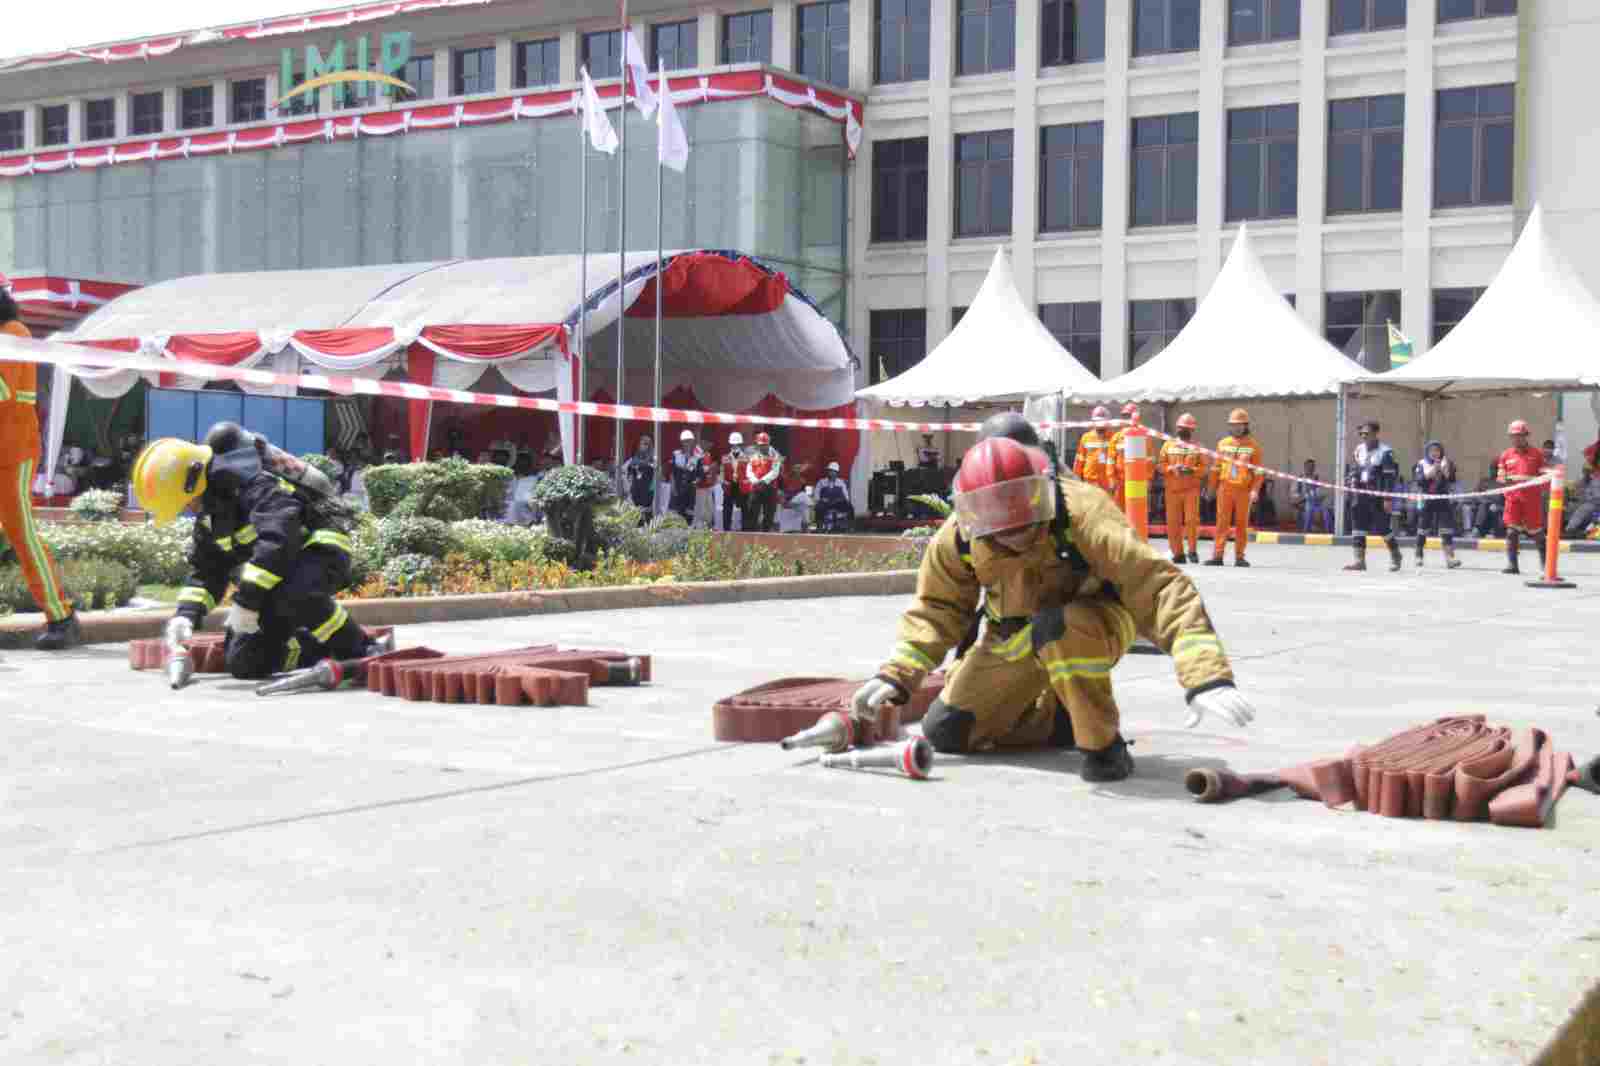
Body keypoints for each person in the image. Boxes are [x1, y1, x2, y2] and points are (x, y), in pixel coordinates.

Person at [849, 437, 1256, 783]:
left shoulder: (1082, 511)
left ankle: (1102, 746)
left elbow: (1156, 584)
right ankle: (1061, 717)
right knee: (948, 732)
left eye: (1017, 506)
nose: (1010, 525)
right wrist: (896, 675)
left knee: (1057, 626)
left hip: (1092, 623)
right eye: (994, 511)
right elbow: (937, 608)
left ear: (1038, 487)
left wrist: (1205, 676)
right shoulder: (960, 536)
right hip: (1011, 636)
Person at [133, 426, 388, 682]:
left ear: (194, 484)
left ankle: (361, 647)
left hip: (320, 548)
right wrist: (185, 616)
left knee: (296, 594)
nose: (187, 510)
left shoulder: (255, 485)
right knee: (244, 662)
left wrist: (247, 601)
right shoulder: (210, 517)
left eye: (184, 503)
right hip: (279, 572)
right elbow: (207, 572)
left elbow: (278, 541)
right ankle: (320, 649)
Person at [0, 278, 80, 649]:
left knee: (23, 535)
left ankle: (60, 615)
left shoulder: (14, 333)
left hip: (12, 455)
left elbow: (5, 390)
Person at [1205, 408, 1263, 568]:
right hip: (1225, 488)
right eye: (1233, 425)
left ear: (1246, 425)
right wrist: (1211, 488)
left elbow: (1258, 472)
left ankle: (1240, 557)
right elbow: (1216, 468)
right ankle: (1217, 556)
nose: (1236, 428)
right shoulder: (1222, 444)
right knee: (1221, 523)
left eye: (1239, 425)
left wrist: (1255, 490)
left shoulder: (1253, 446)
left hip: (1243, 490)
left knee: (1241, 525)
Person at [1344, 420, 1403, 572]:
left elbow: (1390, 478)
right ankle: (1359, 561)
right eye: (1361, 434)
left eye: (1366, 433)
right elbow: (1354, 469)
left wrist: (1387, 498)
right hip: (1360, 493)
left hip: (1378, 494)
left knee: (1382, 527)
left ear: (1376, 434)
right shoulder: (1358, 449)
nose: (1363, 436)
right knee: (1358, 527)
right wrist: (1351, 481)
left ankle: (1396, 555)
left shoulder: (1386, 452)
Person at [1497, 419, 1549, 575]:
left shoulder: (1537, 454)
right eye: (1513, 436)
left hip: (1532, 501)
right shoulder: (1505, 455)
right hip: (1513, 500)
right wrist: (1503, 478)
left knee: (1538, 535)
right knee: (1511, 533)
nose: (1516, 439)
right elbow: (1500, 477)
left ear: (1526, 436)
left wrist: (1542, 486)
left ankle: (1545, 566)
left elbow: (1545, 476)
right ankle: (1513, 565)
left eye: (1520, 435)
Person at [1158, 413, 1207, 564]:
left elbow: (1204, 468)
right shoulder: (1168, 445)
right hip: (1172, 489)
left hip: (1191, 489)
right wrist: (1172, 468)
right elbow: (1160, 465)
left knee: (1191, 520)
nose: (1183, 430)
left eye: (1186, 428)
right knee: (1173, 522)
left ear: (1192, 430)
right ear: (1177, 428)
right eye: (1181, 428)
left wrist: (1192, 470)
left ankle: (1192, 551)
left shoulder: (1198, 447)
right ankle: (1178, 553)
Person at [1412, 440, 1462, 569]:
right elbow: (1420, 481)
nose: (1435, 453)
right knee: (1423, 528)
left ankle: (1450, 558)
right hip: (1426, 499)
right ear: (1427, 452)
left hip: (1443, 499)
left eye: (1437, 450)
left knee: (1446, 530)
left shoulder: (1447, 462)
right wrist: (1433, 469)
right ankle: (1419, 556)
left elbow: (1451, 479)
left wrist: (1444, 468)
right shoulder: (1421, 463)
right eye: (1432, 450)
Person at [742, 431, 783, 532]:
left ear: (768, 444)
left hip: (769, 487)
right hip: (755, 487)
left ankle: (766, 534)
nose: (762, 447)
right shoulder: (753, 456)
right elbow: (749, 470)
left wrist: (763, 481)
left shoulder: (775, 455)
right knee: (752, 512)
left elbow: (775, 471)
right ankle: (751, 535)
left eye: (764, 445)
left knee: (769, 513)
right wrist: (755, 481)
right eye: (760, 445)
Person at [1073, 406, 1115, 497]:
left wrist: (1114, 482)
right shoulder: (1086, 437)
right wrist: (1075, 480)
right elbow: (1079, 460)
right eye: (1097, 421)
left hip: (1107, 484)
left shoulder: (1114, 437)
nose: (1099, 424)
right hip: (1090, 482)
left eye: (1102, 421)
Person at [668, 430, 705, 524]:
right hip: (677, 488)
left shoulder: (697, 457)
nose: (687, 443)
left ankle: (688, 533)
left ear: (692, 442)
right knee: (676, 514)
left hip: (690, 490)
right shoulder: (676, 454)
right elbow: (671, 471)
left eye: (689, 441)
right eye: (685, 441)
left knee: (689, 513)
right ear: (681, 442)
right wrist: (673, 486)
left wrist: (696, 481)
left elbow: (700, 474)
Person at [1108, 402, 1139, 510]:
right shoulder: (1116, 437)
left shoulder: (1143, 437)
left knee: (1136, 510)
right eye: (1125, 416)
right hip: (1120, 480)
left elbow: (1149, 460)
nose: (1127, 419)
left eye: (1129, 416)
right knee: (1120, 510)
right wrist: (1111, 479)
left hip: (1137, 481)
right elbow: (1111, 461)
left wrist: (1148, 479)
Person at [1292, 460, 1332, 533]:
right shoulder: (1299, 479)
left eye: (1312, 467)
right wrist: (1302, 498)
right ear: (1305, 467)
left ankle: (1329, 532)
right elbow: (1294, 495)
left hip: (1318, 502)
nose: (1310, 468)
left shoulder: (1317, 478)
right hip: (1303, 503)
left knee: (1326, 511)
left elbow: (1324, 492)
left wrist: (1319, 495)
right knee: (1308, 509)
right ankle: (1306, 531)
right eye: (1309, 466)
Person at [814, 461, 854, 532]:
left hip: (837, 503)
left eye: (833, 471)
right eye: (829, 471)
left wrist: (844, 501)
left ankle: (850, 526)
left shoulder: (841, 483)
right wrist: (820, 500)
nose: (831, 473)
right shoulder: (821, 482)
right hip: (825, 503)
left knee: (849, 506)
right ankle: (819, 527)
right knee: (818, 507)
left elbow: (846, 496)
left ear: (837, 473)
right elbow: (816, 495)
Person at [622, 436, 657, 517]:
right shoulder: (633, 459)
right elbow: (624, 472)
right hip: (635, 493)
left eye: (647, 444)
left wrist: (652, 489)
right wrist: (628, 488)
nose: (644, 446)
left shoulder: (654, 460)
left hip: (647, 494)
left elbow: (657, 477)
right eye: (642, 443)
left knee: (647, 517)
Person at [720, 432, 747, 531]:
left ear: (740, 444)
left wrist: (747, 482)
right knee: (727, 507)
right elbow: (722, 471)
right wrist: (722, 481)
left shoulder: (746, 457)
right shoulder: (725, 457)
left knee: (745, 508)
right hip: (729, 485)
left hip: (741, 485)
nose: (735, 446)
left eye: (737, 444)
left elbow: (749, 472)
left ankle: (745, 529)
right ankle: (726, 529)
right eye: (733, 444)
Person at [505, 454, 540, 526]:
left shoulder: (534, 479)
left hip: (527, 516)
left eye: (525, 463)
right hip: (509, 515)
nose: (522, 465)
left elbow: (535, 498)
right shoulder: (510, 478)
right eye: (520, 462)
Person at [1565, 469, 1600, 537]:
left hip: (1594, 503)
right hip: (1592, 503)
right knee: (1583, 510)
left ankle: (1586, 531)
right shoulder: (1590, 481)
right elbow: (1583, 493)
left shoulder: (1595, 481)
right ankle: (1571, 529)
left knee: (1590, 512)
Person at [693, 436, 719, 529]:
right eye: (709, 444)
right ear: (703, 442)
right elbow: (694, 469)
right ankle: (698, 529)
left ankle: (708, 527)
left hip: (708, 486)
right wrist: (710, 468)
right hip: (699, 487)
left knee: (709, 510)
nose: (710, 446)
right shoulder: (696, 452)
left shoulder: (707, 454)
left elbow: (708, 470)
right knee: (700, 510)